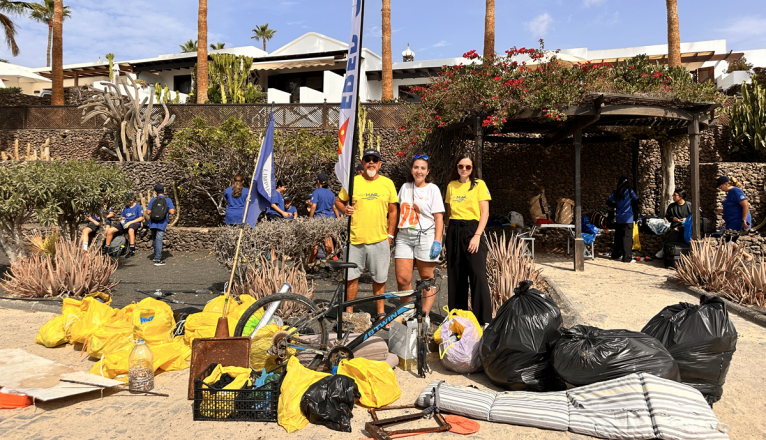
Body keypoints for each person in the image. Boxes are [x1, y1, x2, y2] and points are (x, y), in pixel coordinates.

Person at [335, 149, 398, 322]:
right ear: (362, 163)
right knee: (351, 277)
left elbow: (393, 211)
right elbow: (339, 201)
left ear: (380, 164)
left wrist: (390, 235)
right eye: (367, 159)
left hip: (379, 240)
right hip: (355, 240)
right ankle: (349, 313)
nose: (371, 162)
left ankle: (381, 313)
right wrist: (344, 209)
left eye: (375, 159)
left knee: (380, 278)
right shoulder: (352, 182)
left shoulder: (387, 183)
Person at [394, 155, 444, 327]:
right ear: (411, 170)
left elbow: (439, 218)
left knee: (427, 278)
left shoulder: (433, 189)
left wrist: (437, 241)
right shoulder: (405, 187)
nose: (419, 171)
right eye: (416, 167)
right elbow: (398, 211)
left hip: (426, 235)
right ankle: (408, 313)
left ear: (427, 171)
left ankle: (425, 315)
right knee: (402, 279)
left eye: (423, 168)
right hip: (405, 236)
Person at [445, 153, 492, 326]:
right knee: (456, 275)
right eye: (461, 166)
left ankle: (484, 320)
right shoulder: (451, 185)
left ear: (472, 169)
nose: (464, 169)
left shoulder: (479, 185)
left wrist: (477, 236)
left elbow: (485, 213)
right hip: (454, 230)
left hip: (473, 230)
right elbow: (449, 214)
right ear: (456, 167)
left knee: (478, 275)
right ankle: (458, 318)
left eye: (468, 167)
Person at [715, 176, 753, 261]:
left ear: (726, 184)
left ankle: (747, 256)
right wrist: (722, 210)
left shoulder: (736, 191)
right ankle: (734, 260)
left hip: (738, 222)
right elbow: (733, 206)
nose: (720, 189)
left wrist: (744, 220)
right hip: (731, 222)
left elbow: (746, 205)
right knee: (727, 241)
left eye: (720, 186)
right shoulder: (730, 193)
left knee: (727, 240)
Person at [608, 176, 639, 263]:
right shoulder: (630, 191)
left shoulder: (615, 192)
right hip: (628, 218)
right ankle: (627, 258)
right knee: (627, 238)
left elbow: (608, 202)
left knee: (618, 237)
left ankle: (616, 255)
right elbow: (637, 201)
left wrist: (617, 206)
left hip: (618, 218)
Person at [655, 189, 692, 259]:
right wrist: (673, 218)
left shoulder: (689, 205)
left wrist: (686, 219)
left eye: (675, 195)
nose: (673, 197)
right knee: (675, 231)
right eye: (673, 195)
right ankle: (667, 250)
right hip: (675, 225)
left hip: (686, 226)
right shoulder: (672, 206)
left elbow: (693, 217)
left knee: (678, 230)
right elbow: (668, 216)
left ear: (681, 196)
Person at [104, 193, 143, 258]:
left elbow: (141, 218)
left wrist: (129, 222)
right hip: (125, 223)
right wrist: (122, 219)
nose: (126, 201)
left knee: (131, 230)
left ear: (132, 200)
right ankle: (107, 248)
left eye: (127, 200)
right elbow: (123, 216)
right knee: (110, 230)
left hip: (134, 223)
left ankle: (132, 250)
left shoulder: (138, 207)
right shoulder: (126, 207)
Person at [147, 184, 176, 266]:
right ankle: (157, 259)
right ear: (164, 191)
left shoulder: (153, 199)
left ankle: (156, 255)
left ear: (155, 192)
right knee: (159, 240)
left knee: (155, 239)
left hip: (152, 222)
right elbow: (172, 212)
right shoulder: (168, 200)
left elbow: (148, 212)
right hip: (162, 223)